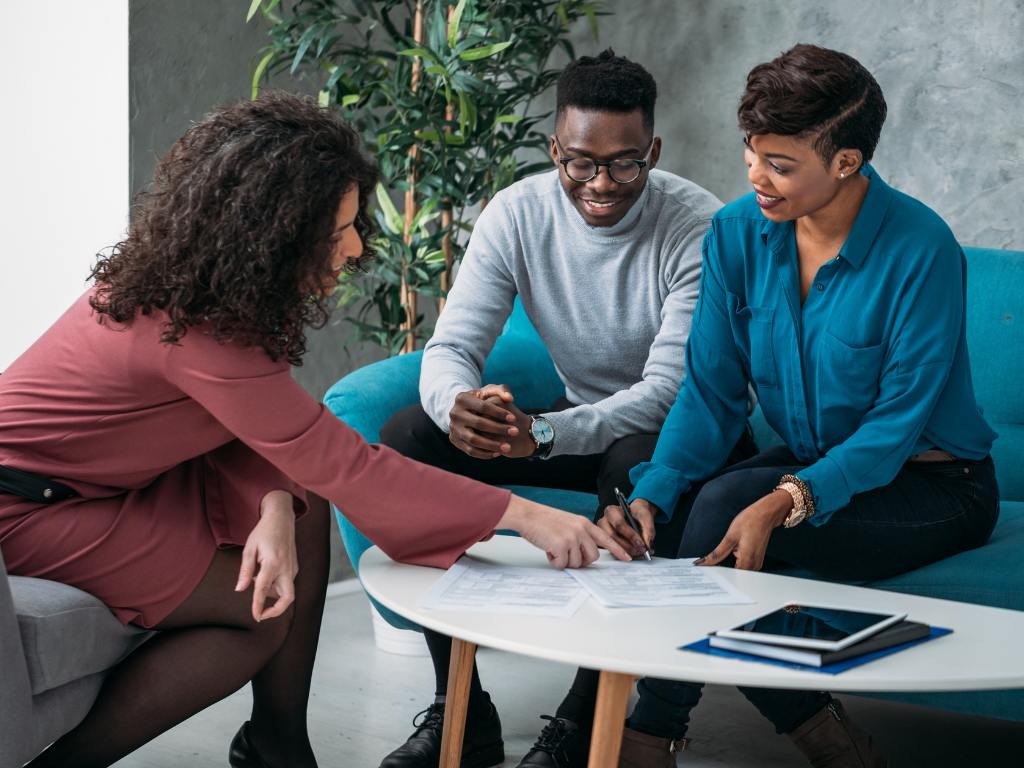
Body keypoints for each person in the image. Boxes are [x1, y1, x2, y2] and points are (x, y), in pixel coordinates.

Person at [0, 91, 629, 768]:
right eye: (338, 233)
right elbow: (345, 463)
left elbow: (258, 430)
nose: (356, 248)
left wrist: (273, 504)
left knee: (301, 504)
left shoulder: (205, 294)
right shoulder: (191, 331)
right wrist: (523, 515)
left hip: (103, 485)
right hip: (27, 509)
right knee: (259, 613)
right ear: (273, 236)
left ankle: (278, 743)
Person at [602, 44, 1000, 767]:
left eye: (780, 164)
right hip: (816, 461)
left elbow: (893, 427)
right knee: (651, 487)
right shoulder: (735, 232)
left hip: (931, 484)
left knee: (726, 508)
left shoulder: (922, 249)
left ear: (846, 162)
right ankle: (826, 737)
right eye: (752, 153)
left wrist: (790, 496)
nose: (756, 175)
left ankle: (650, 732)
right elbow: (712, 391)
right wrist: (654, 492)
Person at [376, 51, 754, 768]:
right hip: (575, 423)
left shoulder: (698, 224)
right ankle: (462, 707)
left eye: (624, 163)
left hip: (683, 439)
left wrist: (545, 434)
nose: (601, 184)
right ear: (555, 148)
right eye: (580, 163)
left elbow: (670, 389)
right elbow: (452, 344)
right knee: (404, 440)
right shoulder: (517, 213)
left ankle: (585, 718)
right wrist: (460, 406)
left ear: (654, 151)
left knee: (634, 460)